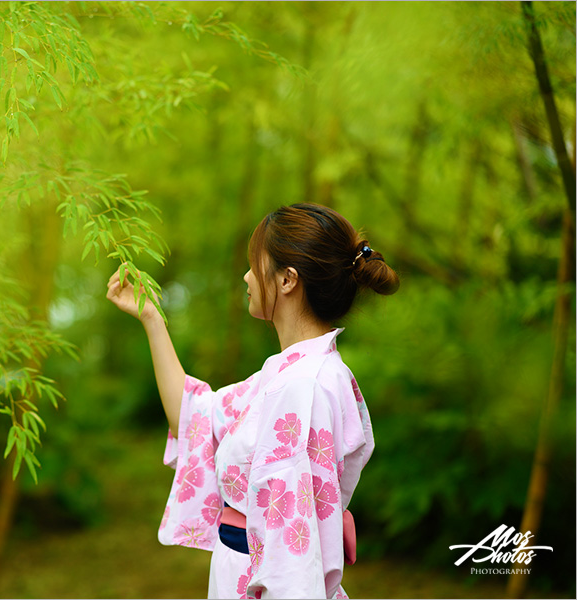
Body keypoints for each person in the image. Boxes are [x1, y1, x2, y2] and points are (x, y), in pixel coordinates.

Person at [106, 203, 400, 599]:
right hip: (240, 571)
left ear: (287, 280)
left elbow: (291, 549)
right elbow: (195, 418)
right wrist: (151, 319)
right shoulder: (287, 374)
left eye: (254, 264)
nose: (246, 277)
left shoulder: (302, 385)